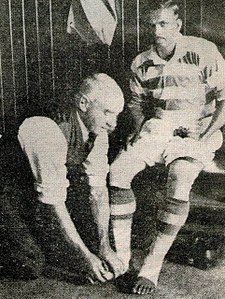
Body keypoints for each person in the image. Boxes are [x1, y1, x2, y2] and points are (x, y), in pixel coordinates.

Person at [109, 0, 225, 295]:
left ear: (178, 24)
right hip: (158, 128)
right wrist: (137, 129)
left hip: (198, 128)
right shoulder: (141, 62)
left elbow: (224, 101)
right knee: (117, 172)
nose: (156, 30)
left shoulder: (203, 52)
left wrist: (203, 136)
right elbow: (135, 104)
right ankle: (122, 260)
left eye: (163, 24)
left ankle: (151, 267)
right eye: (152, 25)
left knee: (180, 178)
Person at [0, 73, 125, 282]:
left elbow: (98, 191)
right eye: (107, 113)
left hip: (32, 189)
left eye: (117, 116)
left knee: (83, 242)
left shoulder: (98, 131)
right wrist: (86, 257)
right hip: (5, 192)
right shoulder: (46, 128)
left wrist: (104, 247)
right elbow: (54, 200)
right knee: (32, 262)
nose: (113, 124)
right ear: (84, 103)